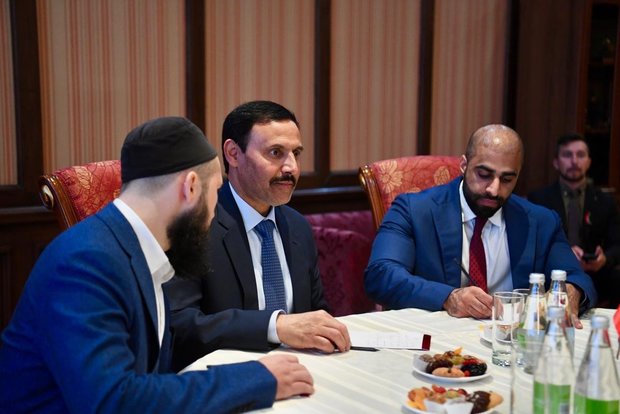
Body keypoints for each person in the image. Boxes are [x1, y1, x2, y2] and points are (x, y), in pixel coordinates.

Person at [0, 117, 314, 413]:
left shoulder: (134, 248)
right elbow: (113, 402)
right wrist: (256, 378)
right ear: (191, 187)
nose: (214, 213)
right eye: (216, 193)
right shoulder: (86, 262)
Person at [165, 101, 350, 371]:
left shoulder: (297, 226)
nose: (291, 168)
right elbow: (179, 326)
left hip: (300, 371)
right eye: (276, 153)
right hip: (225, 376)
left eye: (296, 153)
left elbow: (315, 312)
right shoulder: (194, 226)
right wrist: (274, 327)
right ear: (233, 154)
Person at [364, 124, 597, 322]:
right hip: (440, 344)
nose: (494, 189)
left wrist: (570, 293)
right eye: (484, 175)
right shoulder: (414, 210)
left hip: (511, 343)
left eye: (507, 179)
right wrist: (448, 297)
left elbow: (578, 279)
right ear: (464, 166)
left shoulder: (541, 221)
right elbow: (381, 274)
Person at [528, 133, 620, 307]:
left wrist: (604, 258)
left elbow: (617, 244)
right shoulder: (539, 199)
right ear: (556, 162)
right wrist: (565, 252)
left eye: (580, 155)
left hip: (598, 277)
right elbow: (533, 245)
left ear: (589, 162)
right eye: (567, 155)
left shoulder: (605, 201)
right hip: (553, 275)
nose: (574, 161)